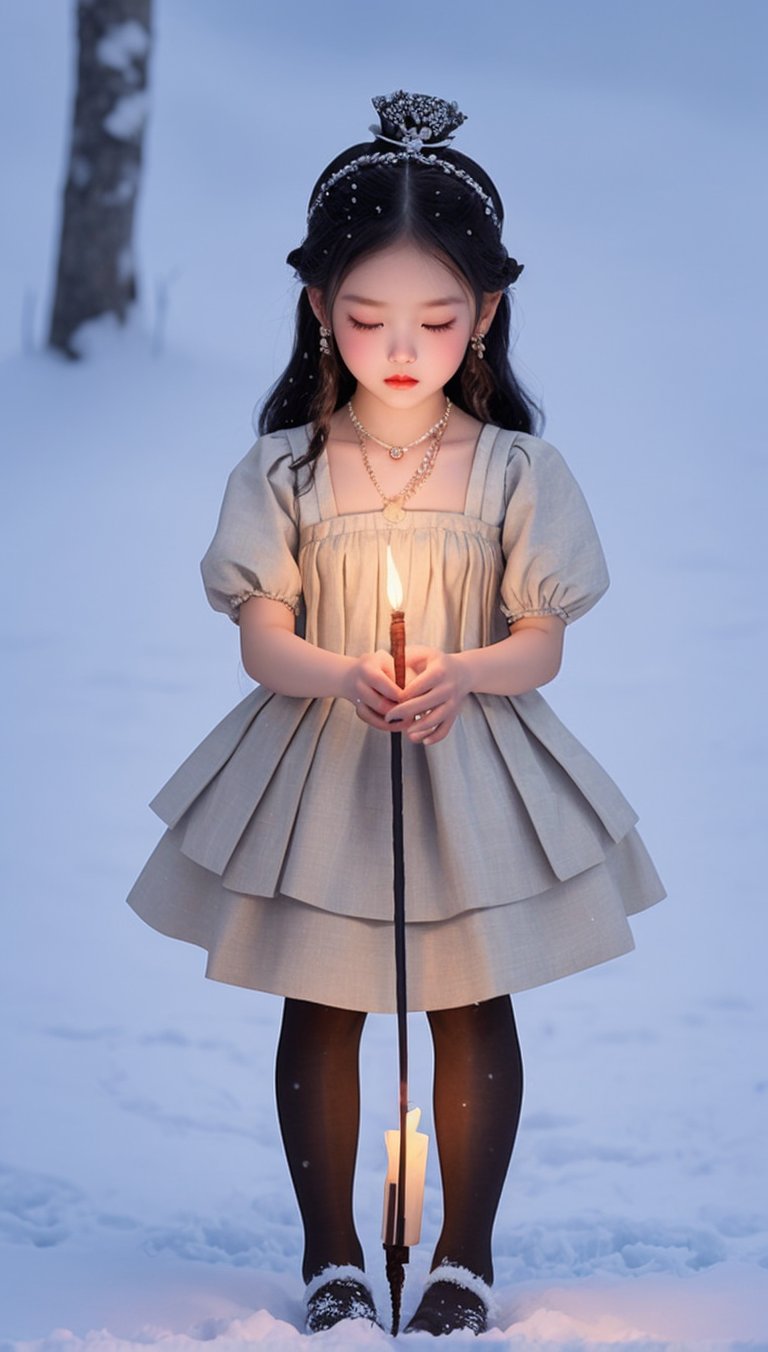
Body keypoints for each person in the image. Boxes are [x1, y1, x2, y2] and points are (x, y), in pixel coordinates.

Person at [126, 91, 665, 1337]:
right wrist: (338, 671)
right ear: (321, 308)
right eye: (369, 317)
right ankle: (332, 1253)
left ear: (485, 314)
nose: (402, 345)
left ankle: (463, 1255)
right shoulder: (287, 469)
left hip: (469, 758)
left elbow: (543, 641)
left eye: (436, 316)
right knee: (322, 995)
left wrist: (468, 673)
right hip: (324, 761)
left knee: (475, 995)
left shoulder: (518, 469)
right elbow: (263, 632)